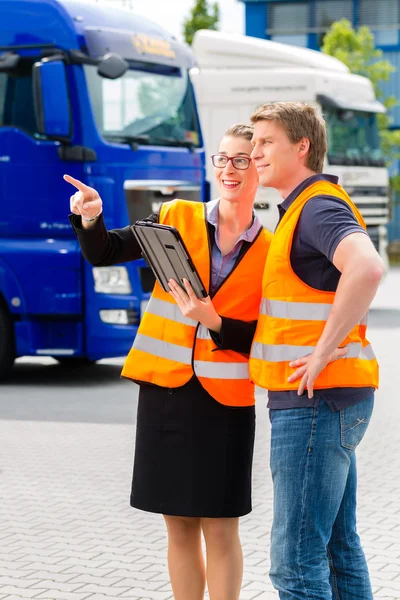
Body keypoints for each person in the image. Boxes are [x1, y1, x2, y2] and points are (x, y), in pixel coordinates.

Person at [65, 124, 272, 600]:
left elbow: (266, 337)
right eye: (222, 158)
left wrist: (214, 320)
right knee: (177, 525)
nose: (229, 169)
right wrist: (92, 218)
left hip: (225, 403)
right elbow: (106, 251)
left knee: (220, 527)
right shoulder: (176, 215)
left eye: (242, 159)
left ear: (259, 168)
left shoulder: (272, 249)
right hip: (165, 394)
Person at [248, 102, 385, 600]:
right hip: (329, 400)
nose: (255, 152)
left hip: (314, 402)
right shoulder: (301, 209)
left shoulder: (317, 207)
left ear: (301, 146)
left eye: (266, 142)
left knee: (296, 562)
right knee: (336, 549)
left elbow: (367, 268)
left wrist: (324, 349)